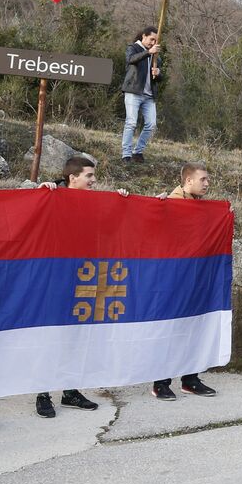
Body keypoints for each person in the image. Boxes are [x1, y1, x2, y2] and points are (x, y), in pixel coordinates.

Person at [32, 157, 121, 418]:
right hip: (53, 280)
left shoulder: (94, 203)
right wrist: (40, 194)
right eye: (89, 176)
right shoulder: (51, 195)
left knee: (76, 338)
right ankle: (42, 393)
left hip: (83, 278)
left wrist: (122, 200)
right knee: (51, 338)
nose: (94, 181)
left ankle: (70, 391)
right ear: (73, 178)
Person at [151, 162, 221, 399]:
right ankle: (160, 382)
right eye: (203, 179)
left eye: (208, 179)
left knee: (193, 328)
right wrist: (156, 208)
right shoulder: (170, 204)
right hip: (171, 279)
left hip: (195, 277)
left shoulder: (201, 208)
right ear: (188, 180)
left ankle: (190, 379)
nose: (207, 183)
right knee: (170, 330)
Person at [121, 26, 161, 163]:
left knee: (151, 124)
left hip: (149, 96)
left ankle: (137, 152)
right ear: (144, 36)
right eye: (151, 39)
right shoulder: (133, 48)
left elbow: (159, 78)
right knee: (131, 122)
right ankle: (126, 154)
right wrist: (148, 52)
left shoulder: (155, 55)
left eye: (155, 41)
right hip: (134, 91)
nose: (153, 43)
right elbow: (131, 59)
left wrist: (158, 73)